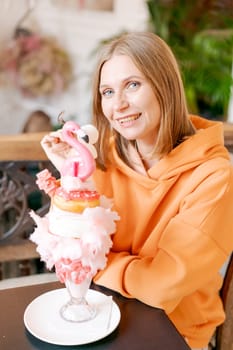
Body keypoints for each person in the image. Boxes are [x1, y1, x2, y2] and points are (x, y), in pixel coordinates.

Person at [40, 32, 233, 350]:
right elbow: (66, 245)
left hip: (175, 329)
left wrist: (92, 264)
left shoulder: (213, 176)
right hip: (102, 309)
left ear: (164, 86)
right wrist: (71, 177)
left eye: (133, 84)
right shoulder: (102, 155)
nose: (118, 105)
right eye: (108, 91)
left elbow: (162, 286)